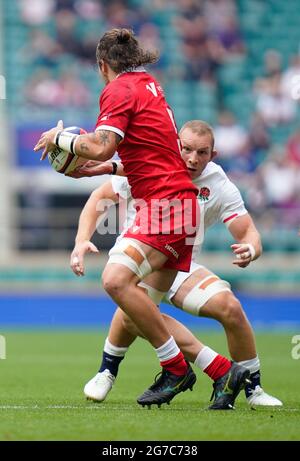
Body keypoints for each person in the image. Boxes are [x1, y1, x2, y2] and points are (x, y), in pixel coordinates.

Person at [34, 28, 249, 408]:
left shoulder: (117, 90)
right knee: (139, 309)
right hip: (179, 205)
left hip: (164, 205)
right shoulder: (150, 85)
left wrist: (60, 139)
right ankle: (219, 369)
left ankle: (175, 368)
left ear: (103, 66)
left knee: (115, 281)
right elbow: (145, 152)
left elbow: (99, 145)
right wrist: (102, 169)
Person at [70, 120, 282, 407]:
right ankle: (108, 371)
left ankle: (253, 389)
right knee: (134, 305)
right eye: (187, 149)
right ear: (175, 145)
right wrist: (82, 240)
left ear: (213, 155)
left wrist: (251, 249)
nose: (193, 158)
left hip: (181, 263)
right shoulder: (153, 162)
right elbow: (101, 196)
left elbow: (247, 231)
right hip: (141, 253)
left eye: (202, 152)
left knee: (230, 308)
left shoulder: (218, 183)